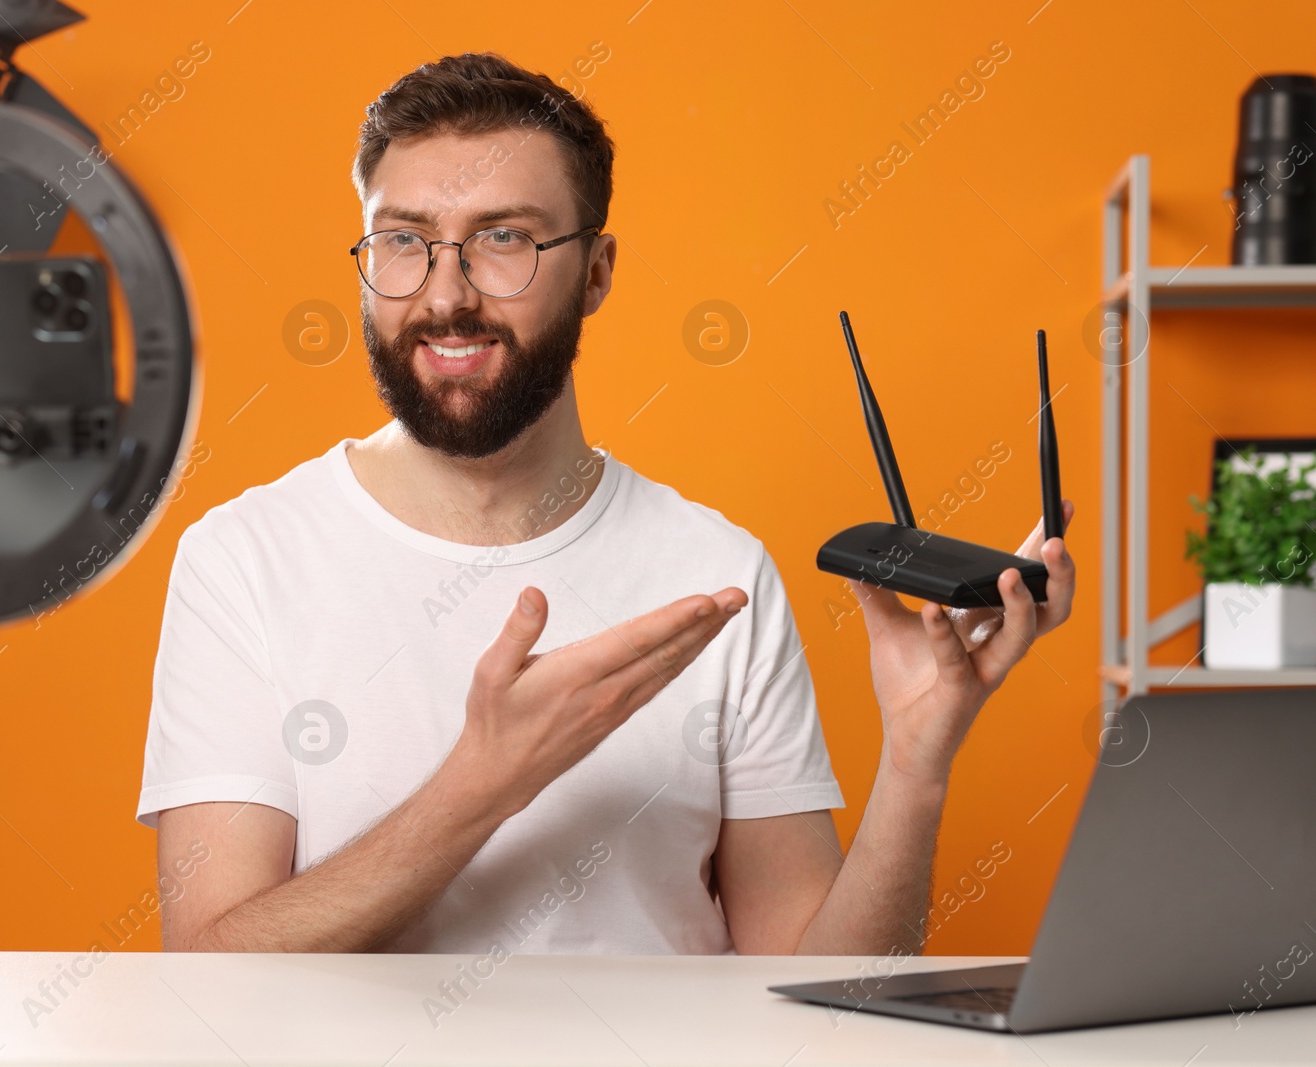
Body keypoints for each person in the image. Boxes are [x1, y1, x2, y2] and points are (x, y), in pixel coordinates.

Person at [136, 52, 1075, 955]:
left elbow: (816, 992)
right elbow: (214, 961)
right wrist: (485, 782)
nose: (447, 294)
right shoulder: (243, 560)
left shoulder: (718, 574)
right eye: (404, 240)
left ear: (596, 272)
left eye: (504, 238)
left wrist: (916, 759)